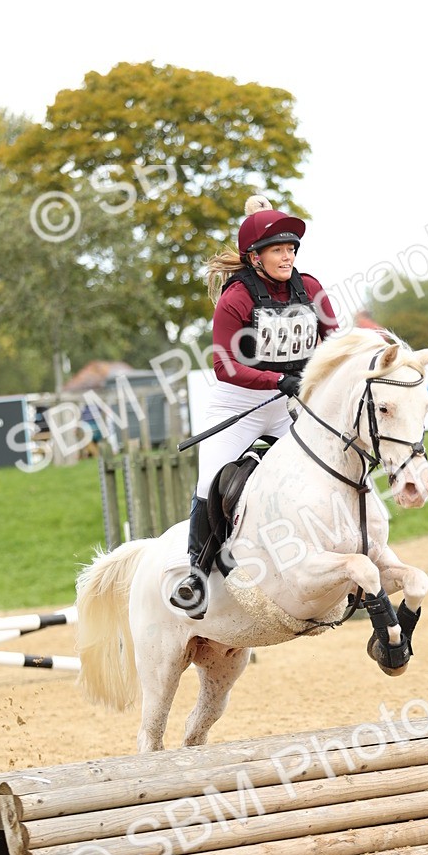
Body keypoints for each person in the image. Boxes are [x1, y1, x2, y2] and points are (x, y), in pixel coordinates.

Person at [171, 195, 339, 615]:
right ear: (255, 258)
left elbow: (334, 342)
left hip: (290, 403)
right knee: (210, 481)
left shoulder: (311, 288)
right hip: (239, 404)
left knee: (331, 463)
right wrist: (277, 378)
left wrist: (316, 375)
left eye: (292, 249)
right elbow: (225, 366)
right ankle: (197, 573)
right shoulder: (237, 298)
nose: (288, 256)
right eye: (279, 250)